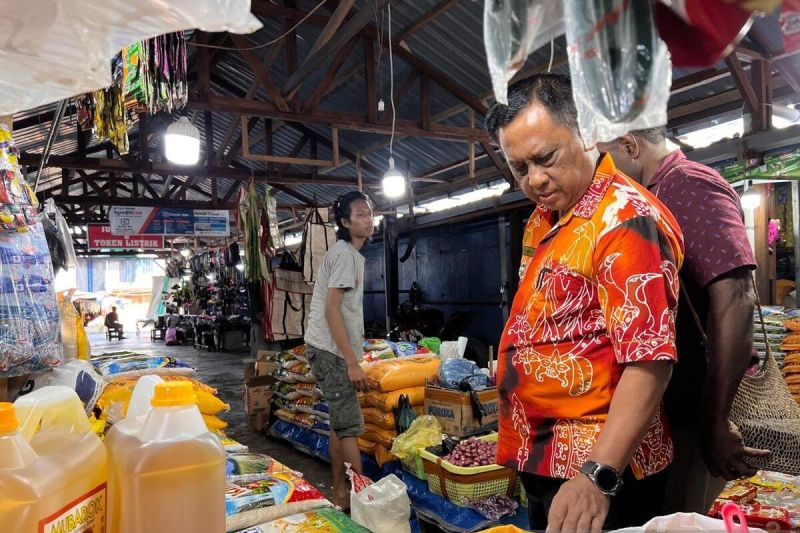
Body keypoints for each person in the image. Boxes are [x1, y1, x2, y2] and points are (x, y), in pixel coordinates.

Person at [486, 74, 685, 532]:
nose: (535, 179)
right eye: (519, 168)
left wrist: (598, 476)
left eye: (545, 158)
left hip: (598, 473)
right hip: (546, 458)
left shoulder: (623, 219)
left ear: (588, 133)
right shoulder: (548, 217)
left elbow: (649, 360)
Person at [597, 128, 770, 514]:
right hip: (676, 411)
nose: (601, 173)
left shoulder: (688, 185)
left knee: (685, 514)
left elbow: (737, 298)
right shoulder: (649, 196)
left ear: (629, 145)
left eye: (603, 159)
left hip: (700, 413)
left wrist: (716, 419)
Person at [303, 191, 374, 510]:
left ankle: (341, 493)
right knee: (350, 426)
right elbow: (332, 311)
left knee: (339, 423)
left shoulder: (349, 254)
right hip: (330, 351)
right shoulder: (345, 254)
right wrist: (351, 363)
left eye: (369, 212)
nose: (368, 218)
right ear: (345, 222)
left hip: (328, 348)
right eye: (360, 214)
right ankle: (363, 501)